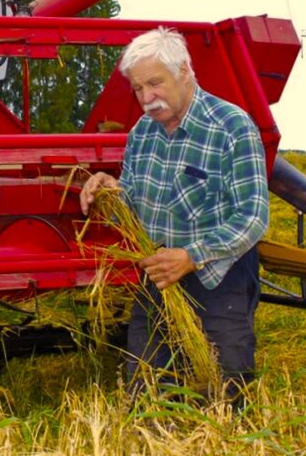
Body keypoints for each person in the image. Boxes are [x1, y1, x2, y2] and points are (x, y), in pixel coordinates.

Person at [79, 26, 269, 393]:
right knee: (146, 389)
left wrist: (191, 256)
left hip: (219, 276)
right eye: (138, 89)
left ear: (184, 71)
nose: (147, 98)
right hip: (159, 277)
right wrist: (110, 192)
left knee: (226, 388)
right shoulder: (142, 133)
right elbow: (133, 207)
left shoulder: (231, 127)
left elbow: (252, 216)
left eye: (155, 83)